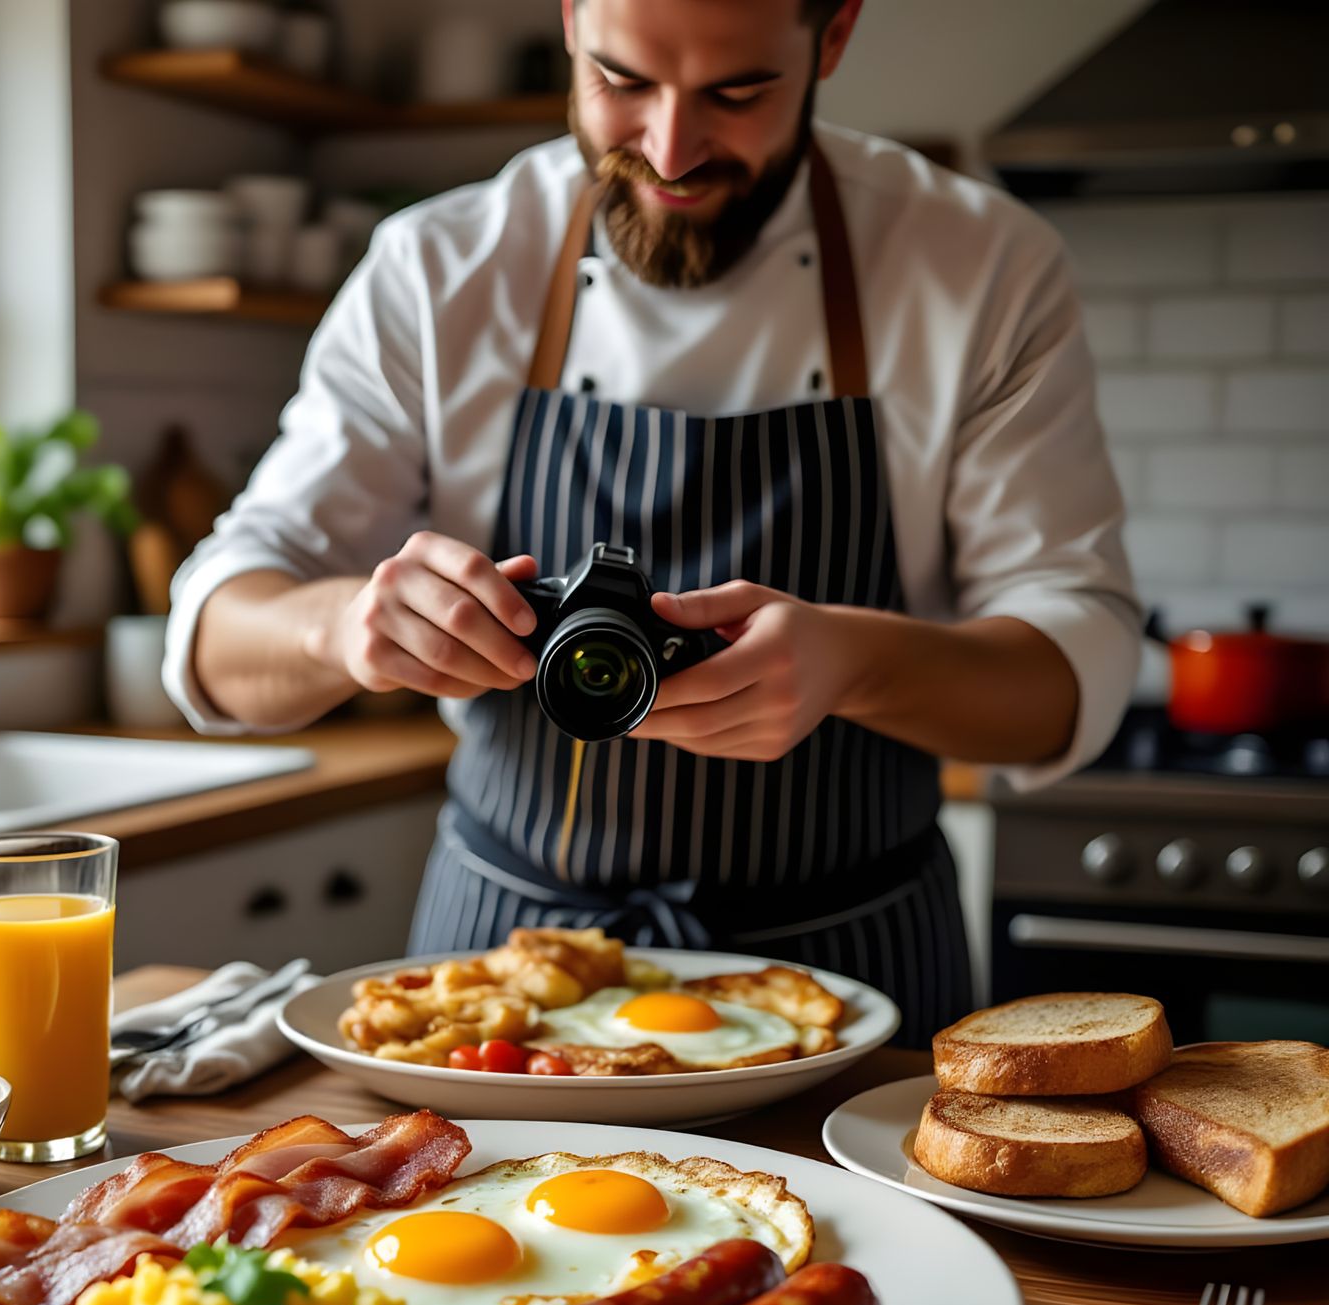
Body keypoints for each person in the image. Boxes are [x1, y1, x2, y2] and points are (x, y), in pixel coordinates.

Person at [162, 0, 1141, 1045]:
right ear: (570, 19)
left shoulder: (980, 265)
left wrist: (852, 663)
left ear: (834, 36)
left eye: (737, 92)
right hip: (500, 993)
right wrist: (345, 627)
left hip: (853, 982)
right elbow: (220, 644)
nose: (670, 150)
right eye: (621, 80)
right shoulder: (438, 269)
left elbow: (1065, 679)